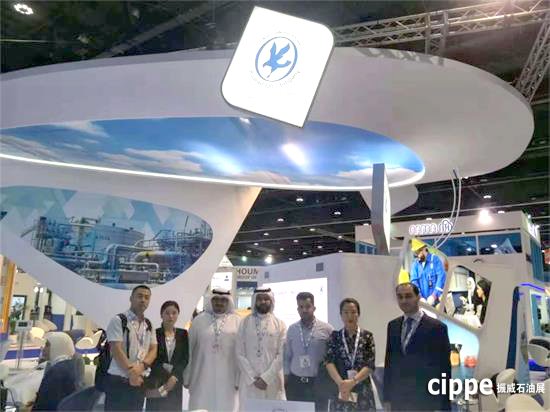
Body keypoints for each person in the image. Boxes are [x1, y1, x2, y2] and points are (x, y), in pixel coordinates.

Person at [383, 283, 451, 411]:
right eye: (400, 297)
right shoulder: (393, 326)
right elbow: (389, 363)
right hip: (398, 399)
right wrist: (386, 398)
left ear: (418, 297)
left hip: (425, 399)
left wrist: (444, 405)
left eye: (408, 296)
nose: (404, 300)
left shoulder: (437, 328)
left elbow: (444, 369)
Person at [185, 289, 241, 412]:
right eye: (216, 299)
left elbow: (241, 353)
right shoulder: (199, 320)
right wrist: (187, 376)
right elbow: (189, 349)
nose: (219, 303)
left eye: (223, 300)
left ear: (229, 302)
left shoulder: (237, 321)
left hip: (229, 378)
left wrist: (239, 379)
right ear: (211, 301)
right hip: (201, 376)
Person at [104, 285, 158, 411]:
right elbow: (116, 349)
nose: (143, 300)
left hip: (139, 380)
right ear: (131, 298)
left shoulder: (148, 324)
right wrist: (131, 372)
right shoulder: (119, 320)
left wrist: (141, 367)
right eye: (139, 296)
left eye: (147, 297)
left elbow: (153, 350)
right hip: (119, 381)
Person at [236, 287, 286, 408]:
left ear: (271, 301)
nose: (263, 302)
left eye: (266, 299)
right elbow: (239, 352)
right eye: (259, 299)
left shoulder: (279, 324)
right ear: (254, 301)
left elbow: (282, 354)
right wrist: (253, 378)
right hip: (249, 382)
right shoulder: (244, 322)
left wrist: (266, 378)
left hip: (272, 382)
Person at [284, 292, 333, 410]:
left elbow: (332, 358)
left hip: (318, 384)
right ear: (297, 309)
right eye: (301, 307)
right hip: (295, 384)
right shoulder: (292, 329)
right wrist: (285, 381)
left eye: (307, 306)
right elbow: (287, 357)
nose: (304, 310)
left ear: (314, 308)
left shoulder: (327, 329)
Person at [325, 298, 376, 411]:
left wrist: (353, 382)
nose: (350, 316)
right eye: (346, 312)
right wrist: (341, 384)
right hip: (340, 388)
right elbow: (329, 362)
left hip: (362, 388)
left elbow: (370, 364)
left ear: (358, 314)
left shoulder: (367, 336)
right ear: (341, 315)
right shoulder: (335, 337)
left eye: (353, 312)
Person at [146, 301, 188, 411]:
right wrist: (168, 375)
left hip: (175, 382)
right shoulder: (154, 333)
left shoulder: (183, 334)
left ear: (178, 315)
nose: (171, 316)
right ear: (161, 315)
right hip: (157, 380)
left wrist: (174, 376)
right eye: (167, 313)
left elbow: (185, 358)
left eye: (174, 313)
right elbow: (152, 358)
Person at [33, 332, 84, 411]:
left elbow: (45, 405)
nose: (43, 348)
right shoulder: (68, 366)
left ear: (57, 346)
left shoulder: (56, 372)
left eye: (47, 345)